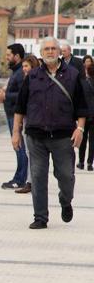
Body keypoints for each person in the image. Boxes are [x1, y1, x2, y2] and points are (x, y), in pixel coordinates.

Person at [12, 36, 87, 229]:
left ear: (60, 52)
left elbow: (81, 106)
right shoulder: (33, 76)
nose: (50, 52)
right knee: (37, 176)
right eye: (47, 49)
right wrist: (16, 132)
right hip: (36, 135)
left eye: (54, 48)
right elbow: (20, 107)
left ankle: (65, 200)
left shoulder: (72, 75)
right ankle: (40, 217)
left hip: (63, 136)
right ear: (41, 52)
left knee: (66, 176)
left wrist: (79, 128)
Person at [0, 43, 28, 190]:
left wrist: (5, 95)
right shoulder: (16, 71)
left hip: (16, 115)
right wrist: (3, 93)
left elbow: (23, 94)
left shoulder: (21, 72)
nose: (6, 58)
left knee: (19, 147)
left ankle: (20, 179)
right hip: (12, 113)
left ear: (17, 56)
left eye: (9, 55)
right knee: (18, 147)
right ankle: (18, 177)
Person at [14, 55, 40, 194]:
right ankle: (31, 181)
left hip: (32, 120)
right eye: (23, 66)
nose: (24, 69)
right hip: (26, 119)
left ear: (33, 67)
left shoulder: (33, 81)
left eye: (27, 66)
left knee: (32, 152)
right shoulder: (27, 79)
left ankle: (31, 182)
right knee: (31, 153)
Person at [77, 55, 94, 171]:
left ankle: (81, 162)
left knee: (82, 139)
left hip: (84, 114)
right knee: (92, 141)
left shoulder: (82, 82)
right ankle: (90, 163)